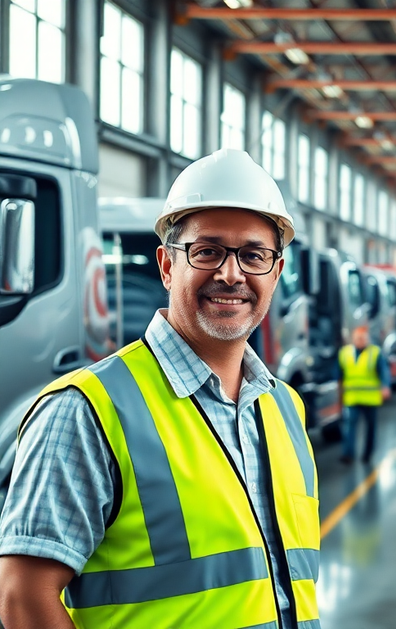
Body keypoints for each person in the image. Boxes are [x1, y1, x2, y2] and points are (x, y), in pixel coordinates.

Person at [0, 149, 319, 628]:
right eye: (207, 251)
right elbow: (23, 598)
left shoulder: (285, 407)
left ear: (274, 272)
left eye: (254, 255)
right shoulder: (86, 411)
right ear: (168, 266)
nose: (231, 274)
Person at [338, 323, 391, 465]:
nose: (360, 341)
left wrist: (385, 386)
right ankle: (348, 454)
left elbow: (384, 371)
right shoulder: (345, 353)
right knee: (350, 425)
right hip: (352, 397)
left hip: (370, 398)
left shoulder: (375, 353)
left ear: (367, 339)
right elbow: (339, 374)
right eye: (357, 338)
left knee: (370, 427)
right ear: (353, 339)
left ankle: (368, 453)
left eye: (362, 338)